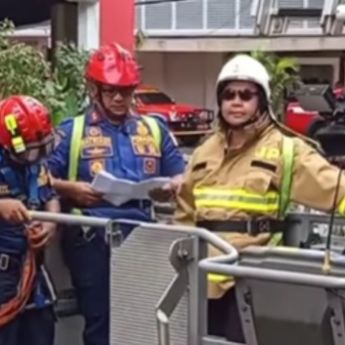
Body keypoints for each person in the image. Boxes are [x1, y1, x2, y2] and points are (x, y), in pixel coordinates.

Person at [174, 54, 345, 342]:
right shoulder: (204, 152)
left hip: (251, 282)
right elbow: (185, 212)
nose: (236, 101)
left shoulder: (285, 150)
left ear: (261, 102)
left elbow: (335, 189)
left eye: (246, 94)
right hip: (201, 282)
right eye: (228, 94)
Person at [47, 42, 185, 345]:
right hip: (92, 239)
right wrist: (69, 188)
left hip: (143, 236)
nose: (120, 98)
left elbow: (181, 172)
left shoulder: (154, 129)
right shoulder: (73, 132)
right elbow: (40, 175)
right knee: (100, 320)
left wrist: (172, 186)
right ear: (94, 90)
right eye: (111, 91)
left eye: (126, 90)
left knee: (141, 315)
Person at [0, 95, 60, 345]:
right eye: (32, 148)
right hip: (3, 274)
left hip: (33, 272)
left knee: (41, 332)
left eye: (43, 146)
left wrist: (50, 225)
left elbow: (51, 196)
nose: (38, 156)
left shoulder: (36, 164)